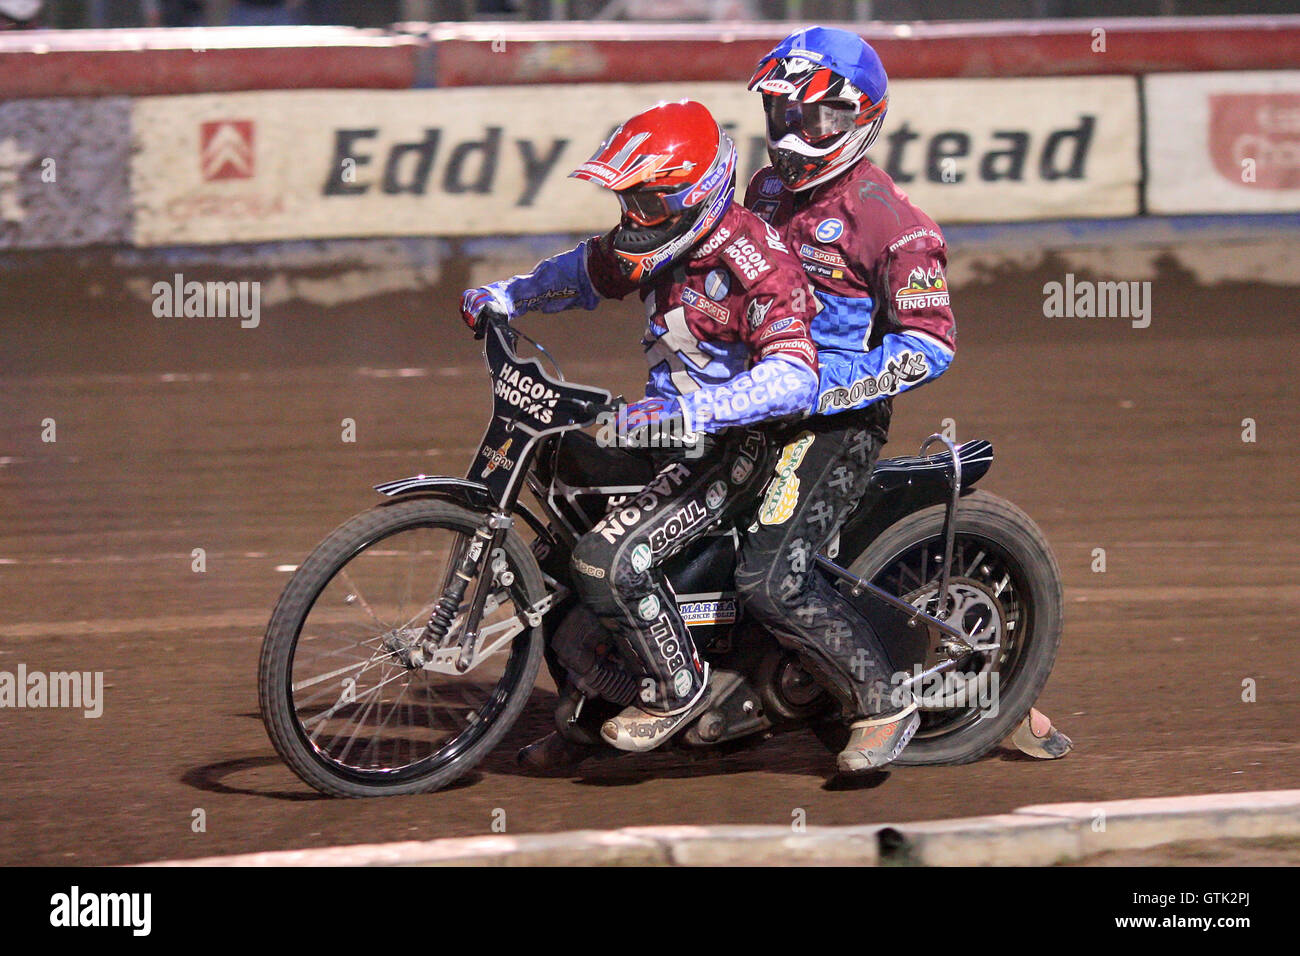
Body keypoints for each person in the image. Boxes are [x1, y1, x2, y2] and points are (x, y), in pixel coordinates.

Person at [460, 100, 824, 760]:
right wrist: (510, 294)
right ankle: (592, 708)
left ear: (698, 197)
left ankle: (679, 686)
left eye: (647, 203)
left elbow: (796, 375)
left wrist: (695, 413)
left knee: (606, 558)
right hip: (661, 436)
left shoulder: (758, 263)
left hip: (734, 451)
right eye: (627, 201)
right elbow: (582, 273)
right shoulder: (656, 240)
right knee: (550, 555)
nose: (632, 219)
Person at [735, 26, 960, 772]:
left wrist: (824, 387)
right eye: (781, 114)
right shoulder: (765, 190)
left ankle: (881, 698)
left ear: (857, 117)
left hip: (836, 422)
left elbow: (931, 343)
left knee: (770, 576)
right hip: (751, 401)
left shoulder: (890, 220)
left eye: (813, 118)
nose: (793, 135)